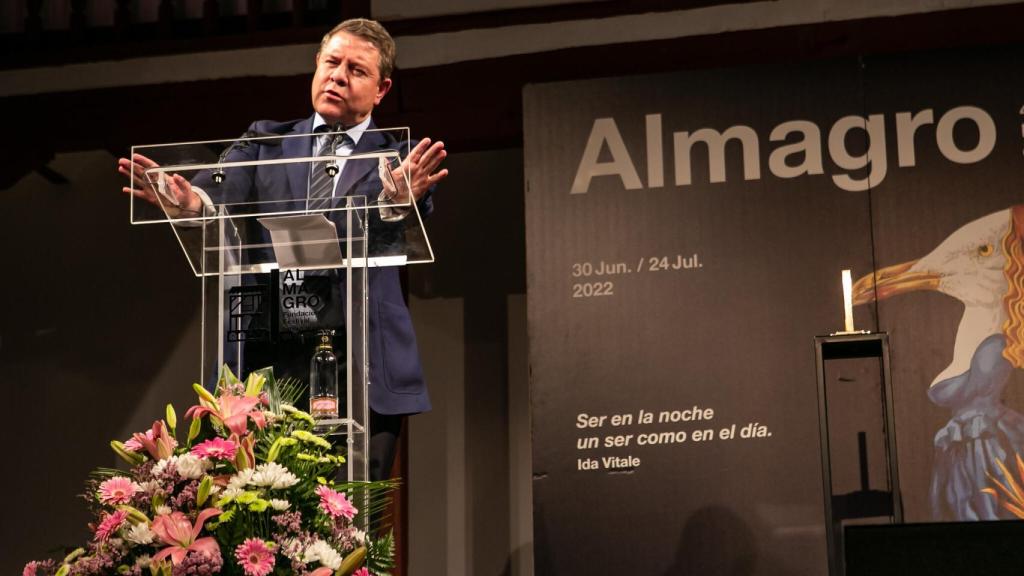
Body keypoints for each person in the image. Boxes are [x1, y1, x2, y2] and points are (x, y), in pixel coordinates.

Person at [118, 18, 448, 481]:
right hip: (267, 360)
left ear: (381, 89)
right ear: (316, 65)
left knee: (352, 526)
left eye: (356, 70)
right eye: (331, 62)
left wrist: (398, 200)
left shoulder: (394, 158)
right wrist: (190, 204)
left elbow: (412, 206)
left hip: (361, 362)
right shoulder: (266, 142)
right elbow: (217, 193)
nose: (337, 75)